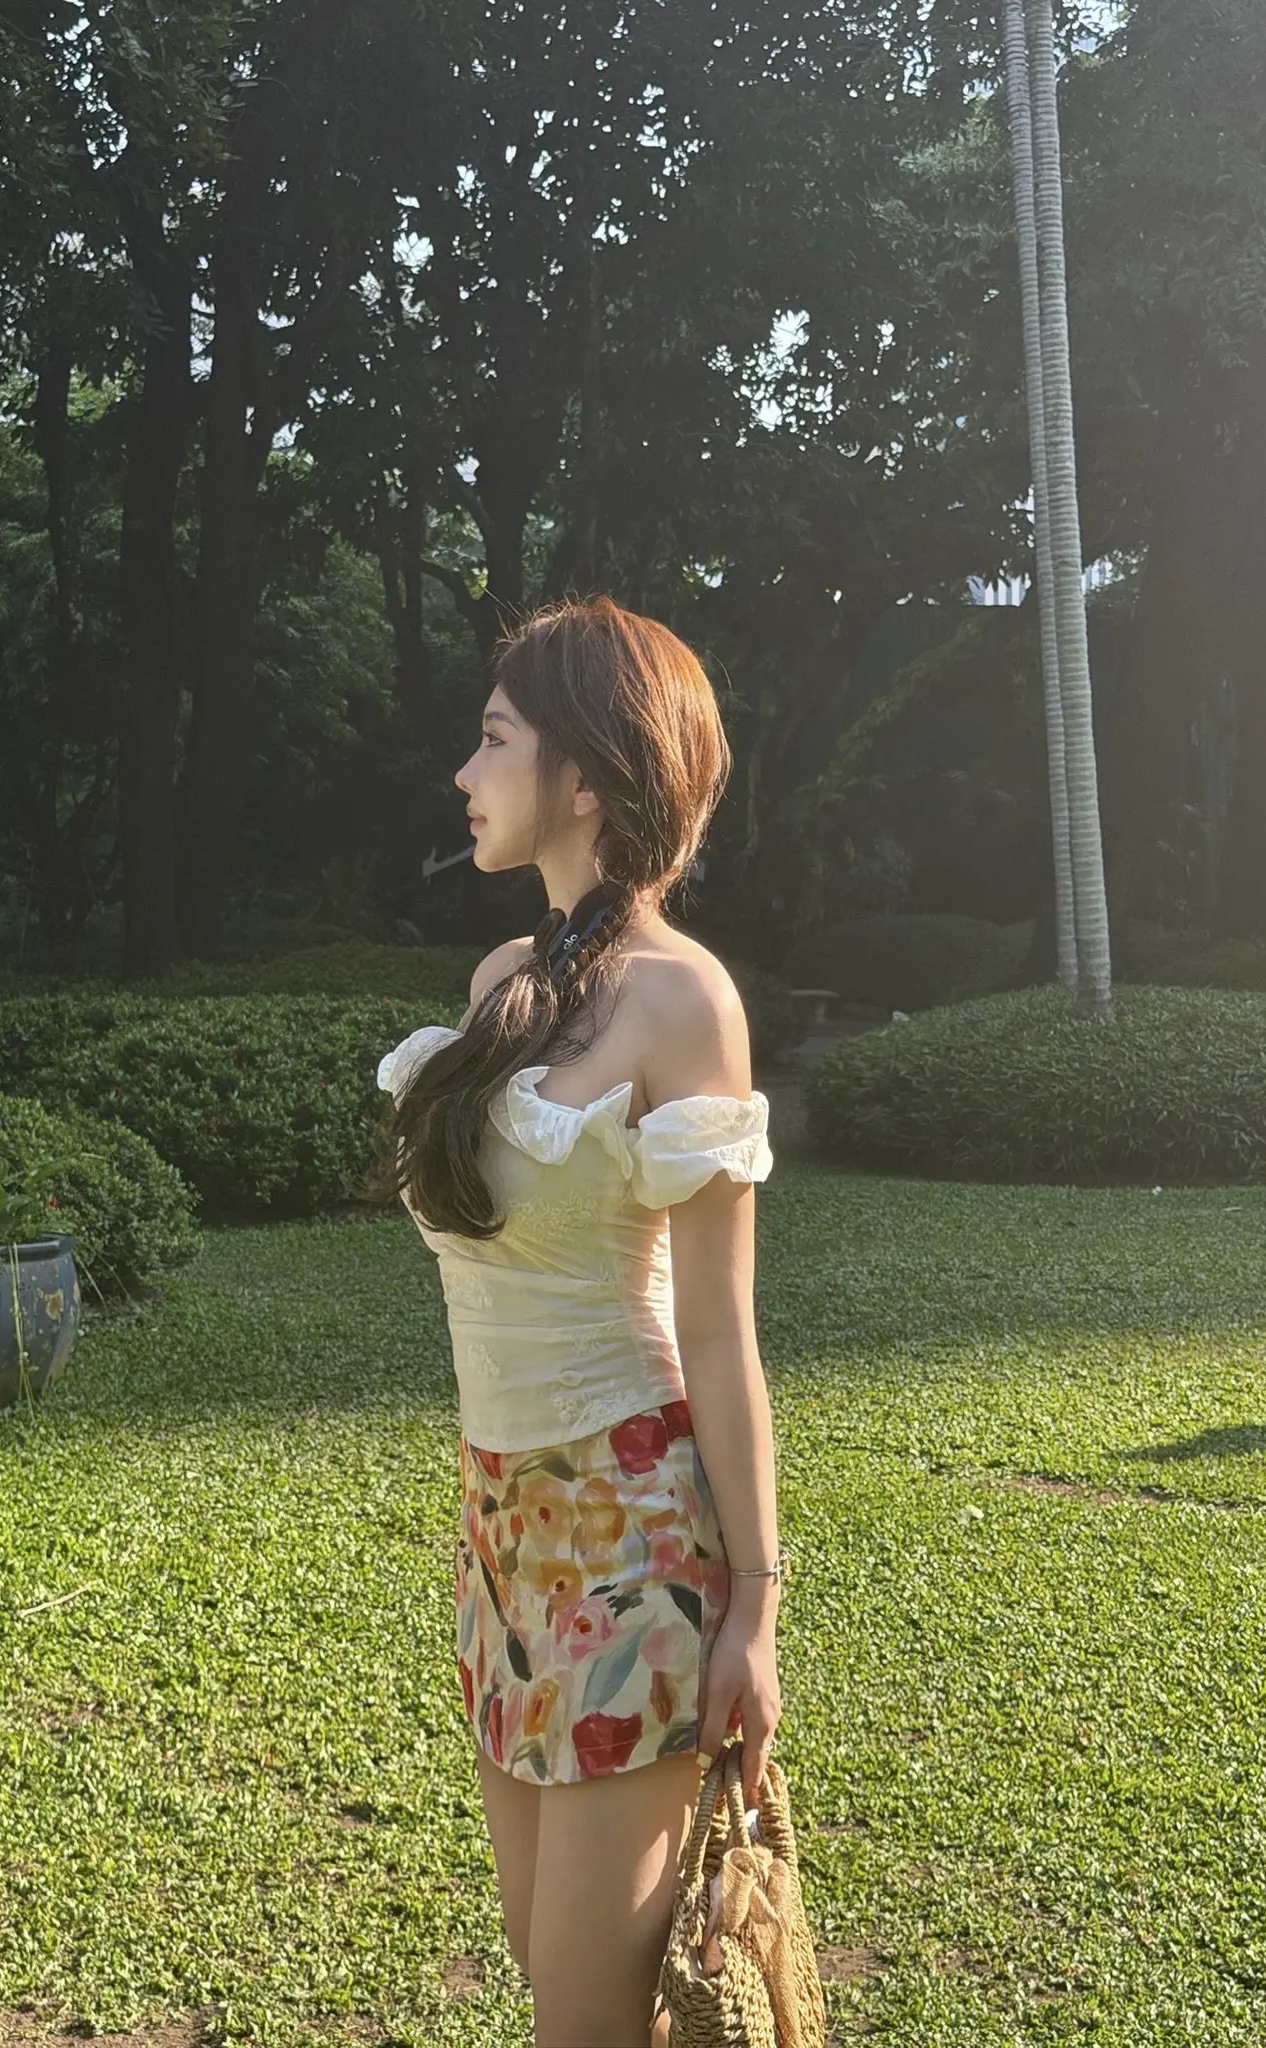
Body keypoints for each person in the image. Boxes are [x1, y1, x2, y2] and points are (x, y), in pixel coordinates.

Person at [364, 595, 786, 2047]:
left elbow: (719, 1329)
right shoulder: (504, 986)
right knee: (554, 1971)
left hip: (631, 1523)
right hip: (500, 1522)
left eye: (494, 740)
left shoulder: (686, 1003)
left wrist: (754, 1607)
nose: (465, 773)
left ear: (589, 777)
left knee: (583, 2016)